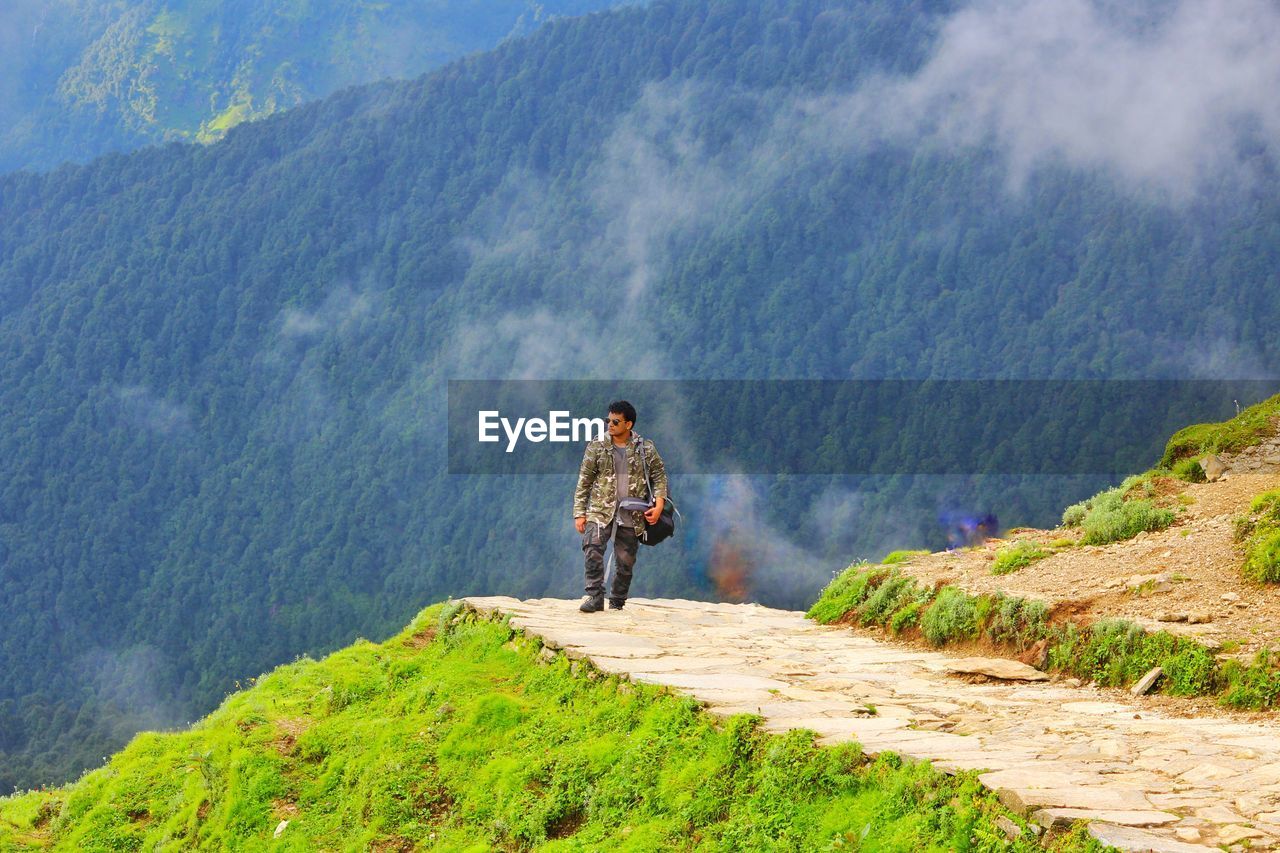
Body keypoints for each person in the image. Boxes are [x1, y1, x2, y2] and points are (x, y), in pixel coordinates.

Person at [572, 400, 667, 612]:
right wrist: (580, 512)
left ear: (629, 424)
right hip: (600, 509)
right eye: (608, 420)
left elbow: (659, 476)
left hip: (632, 512)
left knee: (625, 562)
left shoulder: (645, 449)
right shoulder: (597, 446)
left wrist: (659, 504)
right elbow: (584, 480)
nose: (610, 424)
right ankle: (594, 596)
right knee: (592, 549)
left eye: (616, 421)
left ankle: (617, 600)